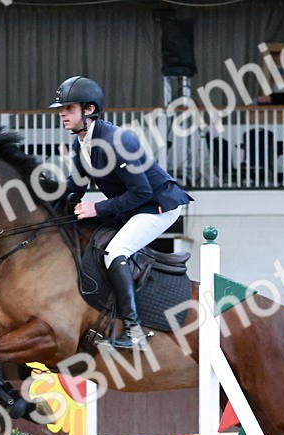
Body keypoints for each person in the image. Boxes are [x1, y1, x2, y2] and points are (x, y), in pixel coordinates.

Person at [50, 75, 193, 350]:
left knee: (116, 250)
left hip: (157, 206)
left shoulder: (118, 140)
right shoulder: (81, 143)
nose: (62, 115)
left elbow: (141, 193)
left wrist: (97, 208)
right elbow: (76, 187)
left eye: (68, 109)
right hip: (132, 205)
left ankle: (134, 330)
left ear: (89, 109)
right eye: (61, 110)